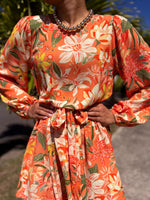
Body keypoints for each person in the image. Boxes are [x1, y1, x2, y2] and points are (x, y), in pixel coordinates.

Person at [0, 0, 150, 199]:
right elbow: (5, 75)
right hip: (48, 139)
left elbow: (146, 79)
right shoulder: (31, 28)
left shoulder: (113, 27)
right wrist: (27, 106)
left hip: (93, 141)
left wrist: (117, 114)